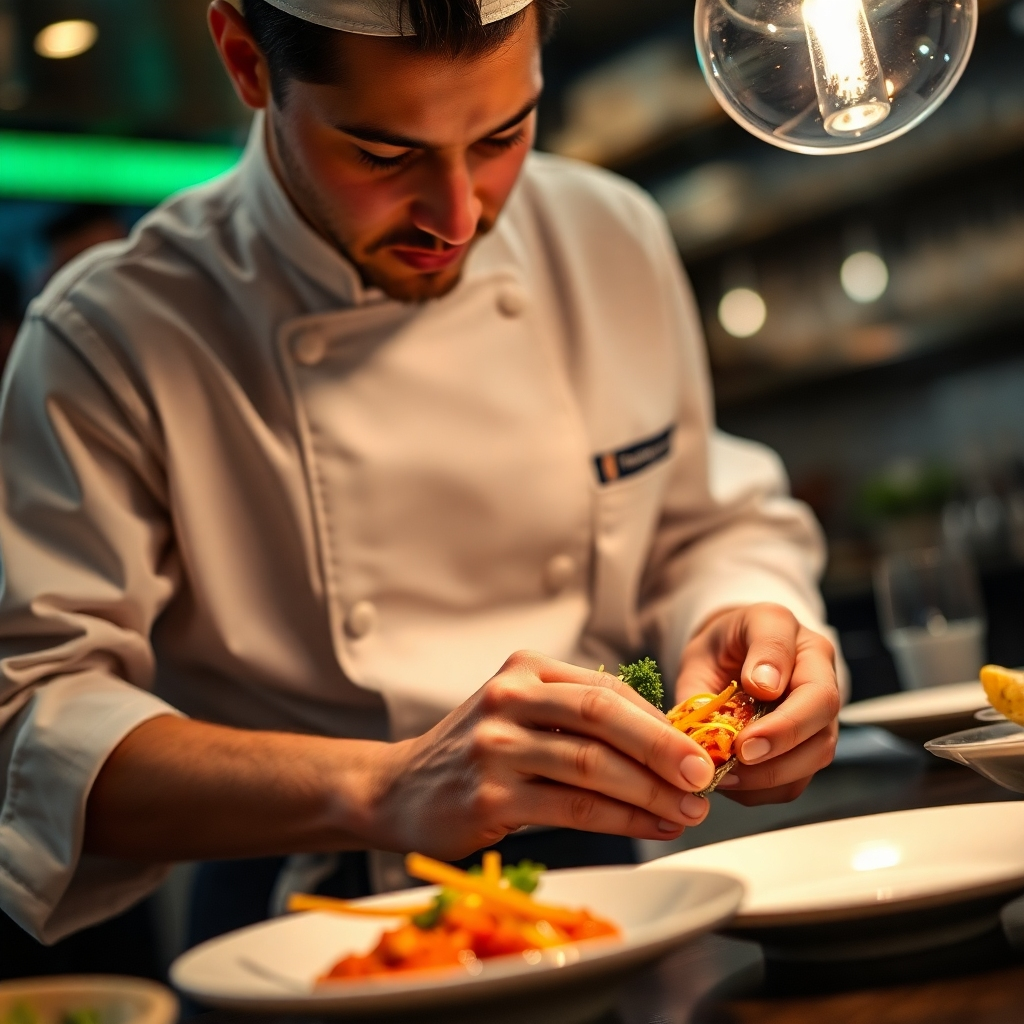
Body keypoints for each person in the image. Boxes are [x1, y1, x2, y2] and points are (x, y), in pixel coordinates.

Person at [0, 0, 843, 947]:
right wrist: (381, 785)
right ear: (245, 62)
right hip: (305, 929)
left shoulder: (606, 236)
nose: (459, 216)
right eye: (382, 153)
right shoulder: (106, 335)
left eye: (504, 134)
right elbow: (34, 723)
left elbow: (699, 525)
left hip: (617, 898)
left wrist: (746, 623)